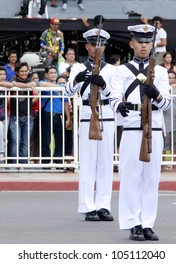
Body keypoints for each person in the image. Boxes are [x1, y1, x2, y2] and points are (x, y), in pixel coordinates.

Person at [109, 24, 171, 241]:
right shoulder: (122, 70)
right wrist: (119, 106)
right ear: (132, 43)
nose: (144, 46)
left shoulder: (161, 71)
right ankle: (133, 222)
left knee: (151, 178)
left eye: (147, 42)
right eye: (140, 42)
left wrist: (157, 95)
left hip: (153, 127)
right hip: (132, 125)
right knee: (130, 177)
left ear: (152, 44)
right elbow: (114, 96)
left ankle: (147, 223)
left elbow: (167, 104)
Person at [65, 28, 117, 222]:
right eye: (94, 44)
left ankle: (103, 205)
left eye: (101, 44)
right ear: (87, 46)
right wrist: (78, 80)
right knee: (88, 163)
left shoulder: (112, 70)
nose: (97, 48)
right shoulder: (78, 68)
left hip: (107, 115)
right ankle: (88, 206)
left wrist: (103, 85)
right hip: (88, 113)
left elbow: (115, 96)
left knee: (105, 163)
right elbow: (67, 92)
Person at [8, 62, 37, 163]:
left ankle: (24, 164)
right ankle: (13, 164)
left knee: (25, 142)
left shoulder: (29, 80)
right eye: (22, 71)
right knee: (15, 141)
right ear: (17, 72)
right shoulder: (12, 79)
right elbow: (13, 84)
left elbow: (34, 83)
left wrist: (30, 85)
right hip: (15, 116)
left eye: (26, 71)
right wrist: (28, 86)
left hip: (29, 116)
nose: (24, 73)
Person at [40, 66, 70, 163]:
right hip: (47, 114)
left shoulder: (61, 87)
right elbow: (41, 84)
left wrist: (68, 118)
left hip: (59, 116)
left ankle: (58, 161)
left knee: (60, 139)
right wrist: (57, 87)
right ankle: (45, 161)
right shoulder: (43, 83)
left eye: (54, 72)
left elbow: (65, 103)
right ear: (46, 74)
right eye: (51, 73)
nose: (53, 74)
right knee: (46, 139)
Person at [162, 70, 176, 172]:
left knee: (175, 144)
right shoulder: (162, 89)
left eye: (173, 78)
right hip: (165, 121)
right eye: (170, 78)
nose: (172, 80)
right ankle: (163, 164)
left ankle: (175, 163)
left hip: (175, 120)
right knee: (164, 144)